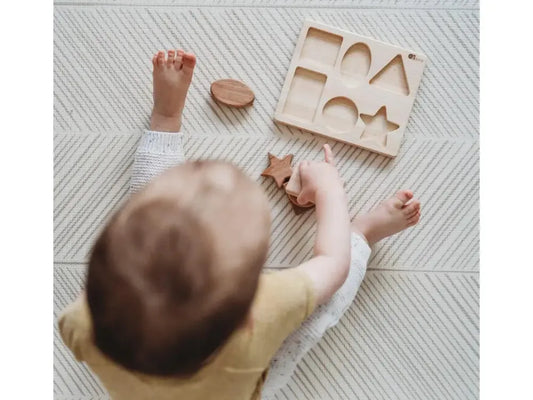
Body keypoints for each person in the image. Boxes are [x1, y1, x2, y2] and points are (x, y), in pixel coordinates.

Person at [59, 49, 421, 400]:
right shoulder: (266, 307)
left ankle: (166, 121)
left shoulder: (81, 322)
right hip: (244, 385)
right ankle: (363, 234)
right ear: (249, 287)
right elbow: (333, 264)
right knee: (318, 312)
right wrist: (329, 189)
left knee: (153, 221)